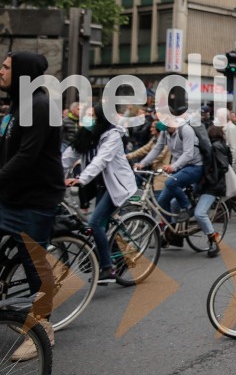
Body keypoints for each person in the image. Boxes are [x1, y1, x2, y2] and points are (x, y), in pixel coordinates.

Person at [0, 51, 64, 360]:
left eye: (7, 66)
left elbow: (26, 157)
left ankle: (42, 329)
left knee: (35, 266)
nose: (1, 70)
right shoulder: (18, 104)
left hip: (35, 201)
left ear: (23, 72)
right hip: (12, 196)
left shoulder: (40, 107)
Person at [63, 103, 137, 282]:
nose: (88, 119)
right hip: (99, 186)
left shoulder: (112, 136)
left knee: (95, 223)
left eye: (93, 116)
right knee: (95, 224)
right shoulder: (87, 135)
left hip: (116, 186)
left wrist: (81, 178)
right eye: (87, 115)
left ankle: (107, 267)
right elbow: (67, 157)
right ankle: (116, 258)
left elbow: (101, 160)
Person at [135, 115, 203, 225]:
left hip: (194, 166)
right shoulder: (165, 131)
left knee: (170, 182)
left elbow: (188, 154)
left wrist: (173, 166)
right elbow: (157, 148)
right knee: (162, 201)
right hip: (179, 167)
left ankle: (188, 207)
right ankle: (170, 228)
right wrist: (142, 163)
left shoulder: (186, 130)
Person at [198, 126, 230, 258]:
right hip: (211, 184)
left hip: (213, 186)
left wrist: (209, 177)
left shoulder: (215, 147)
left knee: (199, 213)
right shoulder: (219, 145)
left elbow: (223, 166)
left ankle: (213, 239)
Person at [127, 121, 171, 191]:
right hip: (153, 169)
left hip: (161, 171)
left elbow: (160, 155)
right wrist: (129, 156)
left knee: (158, 195)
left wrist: (144, 163)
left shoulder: (165, 139)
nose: (151, 129)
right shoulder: (154, 138)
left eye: (153, 127)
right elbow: (144, 149)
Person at [215, 108, 236, 173]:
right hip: (224, 165)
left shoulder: (232, 128)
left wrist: (231, 165)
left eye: (218, 116)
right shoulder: (221, 127)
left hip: (230, 166)